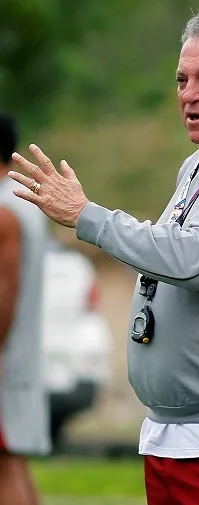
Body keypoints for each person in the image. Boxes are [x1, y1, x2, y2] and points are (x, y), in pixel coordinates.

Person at [8, 8, 199, 505]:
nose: (189, 94)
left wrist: (87, 217)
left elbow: (192, 260)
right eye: (182, 80)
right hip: (172, 433)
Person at [0, 112, 50, 505]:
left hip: (5, 359)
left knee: (6, 463)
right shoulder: (22, 200)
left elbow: (4, 291)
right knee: (11, 462)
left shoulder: (3, 210)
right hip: (20, 355)